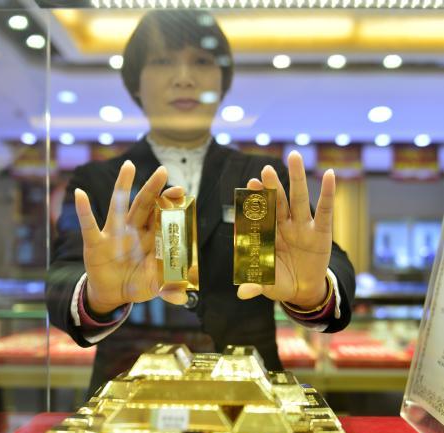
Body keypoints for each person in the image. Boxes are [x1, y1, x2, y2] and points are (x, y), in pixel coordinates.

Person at [46, 10, 356, 397]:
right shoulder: (98, 181)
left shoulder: (262, 176)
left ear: (223, 81)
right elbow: (61, 280)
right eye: (163, 61)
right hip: (128, 394)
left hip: (249, 396)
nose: (184, 77)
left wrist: (314, 293)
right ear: (135, 81)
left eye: (202, 61)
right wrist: (98, 295)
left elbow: (328, 261)